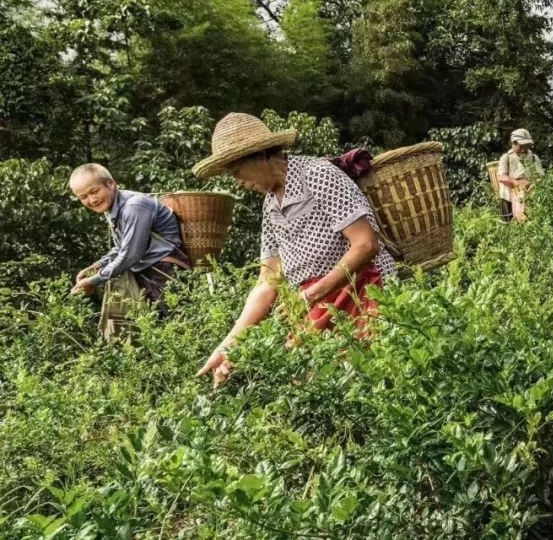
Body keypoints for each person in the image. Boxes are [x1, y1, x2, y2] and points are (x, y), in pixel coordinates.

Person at [192, 113, 398, 386]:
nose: (237, 182)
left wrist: (311, 295)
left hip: (363, 290)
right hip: (319, 302)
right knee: (309, 383)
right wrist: (228, 344)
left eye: (236, 172)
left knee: (370, 378)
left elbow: (365, 244)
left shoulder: (318, 175)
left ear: (259, 156)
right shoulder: (270, 205)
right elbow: (268, 280)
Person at [69, 163, 190, 316]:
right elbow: (121, 248)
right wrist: (95, 267)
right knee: (153, 326)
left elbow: (130, 255)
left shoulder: (134, 206)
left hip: (165, 271)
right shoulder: (112, 208)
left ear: (111, 184)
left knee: (181, 321)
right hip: (147, 272)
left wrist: (94, 281)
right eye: (83, 197)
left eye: (94, 191)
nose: (92, 200)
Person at [496, 128, 544, 223]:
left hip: (529, 198)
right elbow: (501, 177)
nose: (524, 149)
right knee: (508, 225)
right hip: (508, 198)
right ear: (514, 143)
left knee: (530, 223)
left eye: (527, 146)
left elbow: (541, 177)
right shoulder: (506, 157)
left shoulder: (534, 158)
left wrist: (532, 184)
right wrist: (517, 183)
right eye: (521, 146)